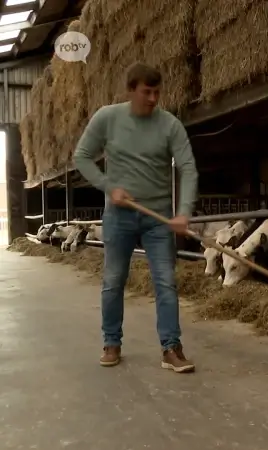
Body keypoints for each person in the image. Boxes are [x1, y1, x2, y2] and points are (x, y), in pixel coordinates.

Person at [73, 62, 199, 373]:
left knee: (166, 282)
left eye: (157, 92)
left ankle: (171, 348)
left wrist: (183, 212)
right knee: (114, 281)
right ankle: (111, 342)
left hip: (158, 217)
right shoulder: (108, 118)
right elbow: (82, 156)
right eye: (147, 92)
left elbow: (188, 168)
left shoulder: (170, 125)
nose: (154, 98)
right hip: (119, 216)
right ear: (131, 90)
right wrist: (108, 186)